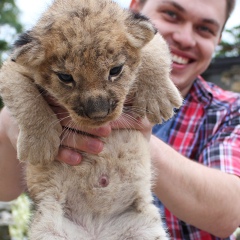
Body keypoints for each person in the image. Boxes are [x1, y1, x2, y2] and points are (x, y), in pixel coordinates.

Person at [0, 0, 239, 239]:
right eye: (171, 14)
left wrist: (141, 133)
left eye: (205, 28)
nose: (185, 38)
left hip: (133, 219)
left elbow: (232, 213)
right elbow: (4, 189)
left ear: (218, 39)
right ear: (134, 7)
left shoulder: (229, 110)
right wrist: (20, 121)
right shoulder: (49, 48)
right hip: (62, 216)